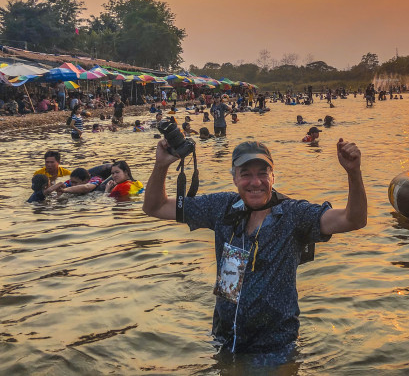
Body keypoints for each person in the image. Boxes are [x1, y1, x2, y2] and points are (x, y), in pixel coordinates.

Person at [142, 138, 367, 356]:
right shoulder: (222, 207)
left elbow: (352, 220)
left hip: (275, 348)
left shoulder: (293, 214)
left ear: (272, 176)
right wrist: (161, 165)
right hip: (224, 340)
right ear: (234, 178)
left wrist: (353, 173)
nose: (255, 182)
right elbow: (155, 207)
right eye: (246, 174)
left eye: (262, 173)